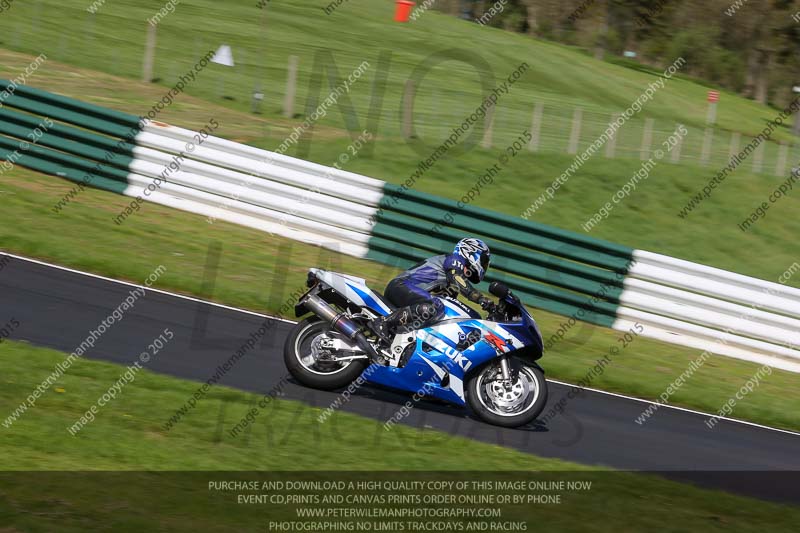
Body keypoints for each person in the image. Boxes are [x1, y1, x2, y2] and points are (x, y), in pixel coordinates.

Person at [372, 238, 495, 343]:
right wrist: (479, 298)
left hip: (407, 294)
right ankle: (384, 322)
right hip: (400, 286)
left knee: (441, 313)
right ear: (471, 252)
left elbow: (450, 304)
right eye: (483, 261)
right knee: (435, 305)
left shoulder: (452, 282)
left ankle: (399, 337)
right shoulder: (455, 259)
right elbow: (458, 279)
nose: (484, 265)